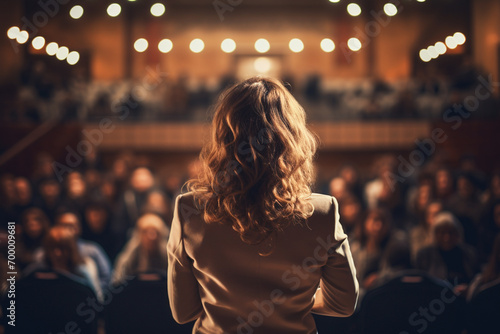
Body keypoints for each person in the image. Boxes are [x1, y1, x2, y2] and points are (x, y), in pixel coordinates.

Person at [167, 77, 358, 334]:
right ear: (291, 138)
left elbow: (183, 312)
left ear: (223, 138)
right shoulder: (323, 212)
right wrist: (297, 299)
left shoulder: (189, 210)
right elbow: (344, 303)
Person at [112, 213, 169, 284]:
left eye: (156, 232)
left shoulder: (168, 257)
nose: (151, 236)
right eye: (146, 231)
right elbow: (117, 282)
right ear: (139, 235)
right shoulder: (129, 258)